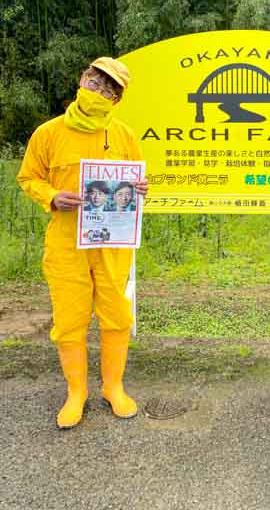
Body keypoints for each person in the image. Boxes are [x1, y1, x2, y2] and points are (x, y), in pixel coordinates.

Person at [17, 57, 148, 429]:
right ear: (82, 79)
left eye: (110, 88)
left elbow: (139, 181)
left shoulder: (124, 135)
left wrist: (140, 188)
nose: (100, 91)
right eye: (96, 81)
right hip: (66, 242)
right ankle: (77, 393)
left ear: (117, 99)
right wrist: (53, 196)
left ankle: (113, 388)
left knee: (117, 315)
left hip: (113, 243)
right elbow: (28, 178)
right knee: (69, 321)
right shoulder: (48, 133)